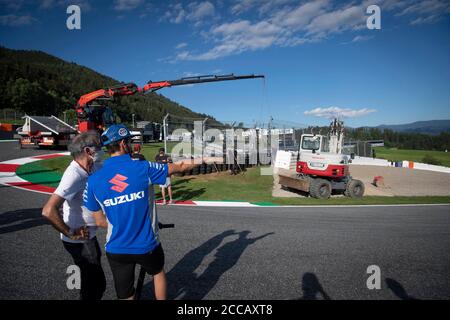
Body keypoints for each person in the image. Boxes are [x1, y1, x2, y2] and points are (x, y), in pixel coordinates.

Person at [83, 124, 220, 300]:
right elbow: (178, 168)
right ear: (124, 144)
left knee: (126, 294)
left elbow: (99, 220)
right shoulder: (142, 167)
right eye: (130, 142)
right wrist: (205, 159)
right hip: (146, 245)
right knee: (158, 273)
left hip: (116, 248)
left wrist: (123, 224)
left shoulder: (93, 180)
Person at [42, 131, 106, 300]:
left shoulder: (95, 165)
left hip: (90, 234)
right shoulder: (73, 174)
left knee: (92, 282)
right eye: (98, 146)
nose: (102, 149)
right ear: (87, 151)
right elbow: (48, 210)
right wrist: (71, 232)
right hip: (79, 240)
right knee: (95, 285)